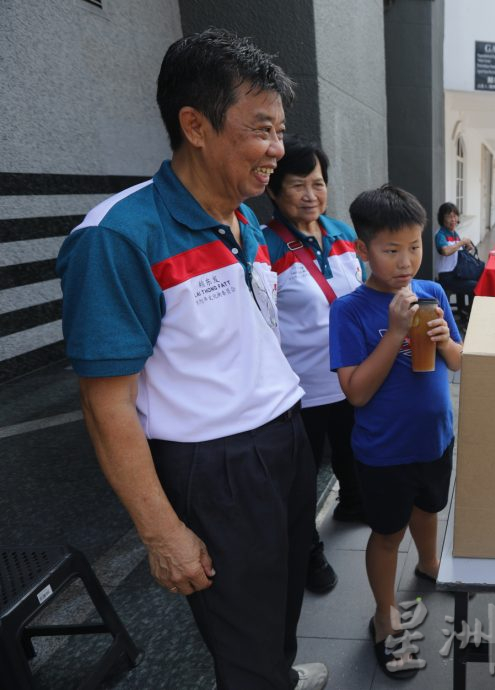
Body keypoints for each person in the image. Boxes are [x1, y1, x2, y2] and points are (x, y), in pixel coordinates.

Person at [55, 29, 327, 689]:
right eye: (260, 129)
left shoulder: (246, 221)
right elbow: (105, 403)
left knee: (283, 602)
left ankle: (278, 675)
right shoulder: (118, 237)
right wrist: (161, 533)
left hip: (283, 441)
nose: (277, 151)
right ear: (194, 125)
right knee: (242, 634)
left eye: (281, 130)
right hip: (216, 466)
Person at [330, 185, 462, 679]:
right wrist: (392, 334)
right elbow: (357, 393)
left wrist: (447, 341)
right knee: (386, 533)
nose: (406, 261)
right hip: (383, 450)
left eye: (415, 247)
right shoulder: (349, 311)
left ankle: (429, 563)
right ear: (363, 250)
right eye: (391, 250)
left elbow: (460, 362)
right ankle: (384, 615)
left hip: (435, 438)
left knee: (429, 509)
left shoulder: (432, 293)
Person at [263, 136, 367, 597]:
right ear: (273, 190)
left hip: (349, 379)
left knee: (351, 455)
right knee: (300, 485)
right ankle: (307, 554)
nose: (310, 194)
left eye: (318, 183)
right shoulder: (264, 247)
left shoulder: (344, 235)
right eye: (297, 184)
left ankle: (351, 505)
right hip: (299, 389)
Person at [434, 202, 477, 316]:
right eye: (449, 216)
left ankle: (464, 311)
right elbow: (446, 251)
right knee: (476, 286)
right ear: (442, 218)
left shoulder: (454, 234)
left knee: (478, 279)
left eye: (455, 216)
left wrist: (467, 247)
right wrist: (461, 242)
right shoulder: (440, 234)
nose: (453, 219)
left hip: (456, 273)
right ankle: (468, 313)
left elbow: (457, 251)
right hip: (446, 276)